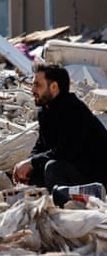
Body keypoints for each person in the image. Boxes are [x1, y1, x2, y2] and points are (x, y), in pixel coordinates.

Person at [12, 62, 107, 192]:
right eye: (33, 84)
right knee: (32, 174)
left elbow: (65, 151)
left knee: (53, 167)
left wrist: (32, 162)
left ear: (54, 87)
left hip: (95, 176)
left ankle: (64, 208)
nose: (32, 90)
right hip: (72, 169)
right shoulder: (46, 109)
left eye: (37, 85)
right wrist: (27, 162)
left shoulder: (73, 109)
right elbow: (41, 145)